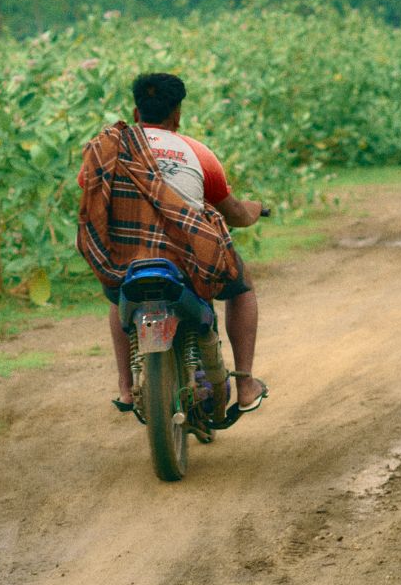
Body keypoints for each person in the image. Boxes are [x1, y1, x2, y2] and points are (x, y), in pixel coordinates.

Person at [84, 72, 269, 419]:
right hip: (187, 262)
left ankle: (126, 388)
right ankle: (245, 385)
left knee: (115, 290)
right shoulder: (198, 153)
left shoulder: (108, 149)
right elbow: (236, 215)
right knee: (242, 288)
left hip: (129, 260)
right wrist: (256, 210)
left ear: (137, 114)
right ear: (177, 115)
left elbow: (91, 194)